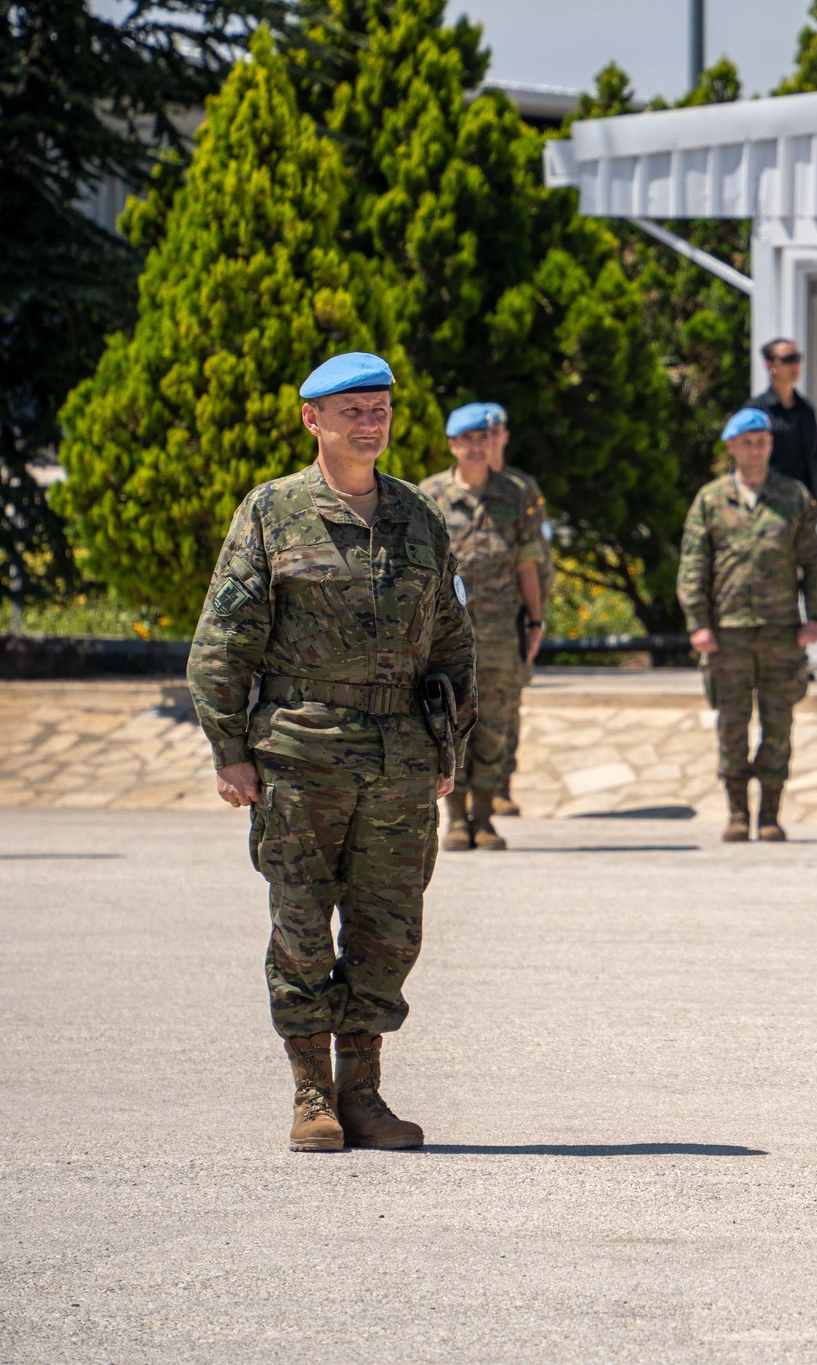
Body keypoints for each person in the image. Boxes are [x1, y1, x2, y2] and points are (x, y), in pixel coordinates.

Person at [188, 351, 476, 1152]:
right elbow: (222, 642)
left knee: (389, 933)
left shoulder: (419, 516)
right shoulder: (272, 513)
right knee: (304, 926)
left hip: (401, 762)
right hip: (300, 755)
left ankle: (365, 1093)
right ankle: (311, 1090)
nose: (370, 420)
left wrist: (450, 741)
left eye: (380, 406)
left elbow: (453, 640)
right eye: (351, 408)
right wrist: (230, 748)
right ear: (312, 418)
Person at [678, 406, 817, 842]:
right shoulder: (710, 500)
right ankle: (736, 813)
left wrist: (814, 615)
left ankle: (769, 814)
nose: (755, 448)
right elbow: (694, 565)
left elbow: (813, 559)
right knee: (731, 723)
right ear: (731, 447)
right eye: (746, 442)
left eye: (761, 441)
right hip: (727, 633)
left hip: (781, 631)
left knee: (778, 724)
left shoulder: (793, 497)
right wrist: (698, 623)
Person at [420, 402, 546, 851]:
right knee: (450, 725)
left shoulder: (515, 493)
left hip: (498, 634)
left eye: (483, 439)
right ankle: (455, 819)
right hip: (444, 637)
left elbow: (529, 561)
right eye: (466, 441)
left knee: (494, 726)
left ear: (494, 442)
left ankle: (485, 817)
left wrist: (535, 619)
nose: (476, 448)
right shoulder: (429, 496)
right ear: (452, 445)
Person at [480, 402, 552, 817]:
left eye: (494, 433)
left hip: (510, 618)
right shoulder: (445, 490)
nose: (487, 442)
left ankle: (502, 785)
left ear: (505, 437)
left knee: (506, 706)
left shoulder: (521, 489)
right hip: (466, 621)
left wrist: (536, 614)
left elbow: (538, 556)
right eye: (479, 435)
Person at [746, 339, 817, 538]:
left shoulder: (806, 410)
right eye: (787, 359)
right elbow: (745, 462)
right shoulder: (756, 410)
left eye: (797, 358)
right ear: (769, 365)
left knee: (809, 567)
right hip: (770, 508)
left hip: (805, 508)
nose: (794, 365)